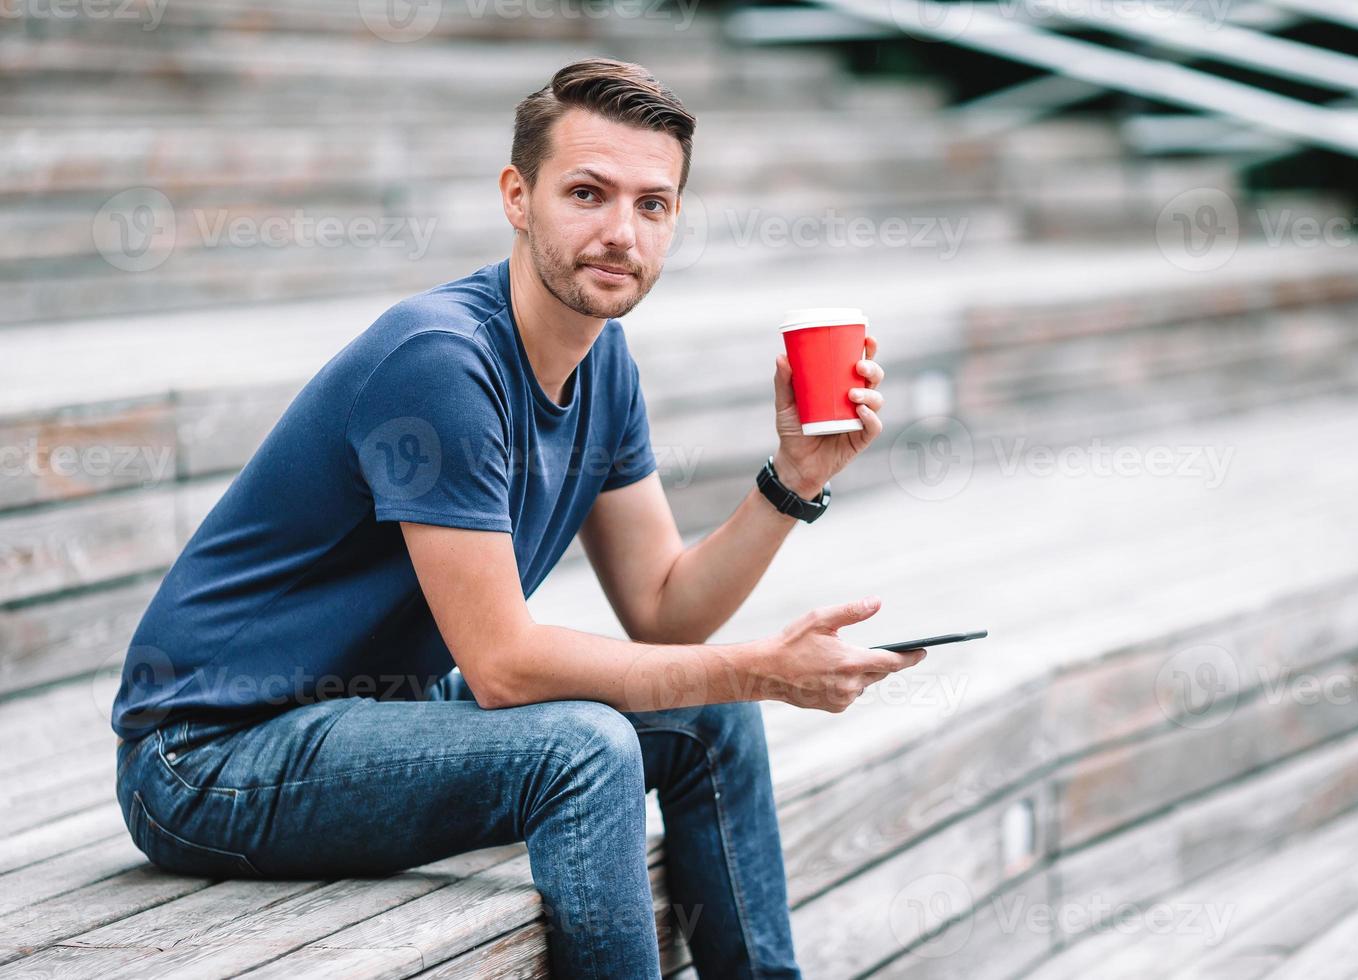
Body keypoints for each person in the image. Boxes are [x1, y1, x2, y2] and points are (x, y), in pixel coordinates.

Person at [111, 58, 927, 979]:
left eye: (651, 205)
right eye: (588, 193)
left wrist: (793, 478)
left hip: (371, 716)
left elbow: (665, 614)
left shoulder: (603, 362)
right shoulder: (440, 363)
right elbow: (501, 667)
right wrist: (761, 668)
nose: (620, 233)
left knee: (711, 715)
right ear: (517, 196)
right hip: (206, 760)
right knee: (583, 749)